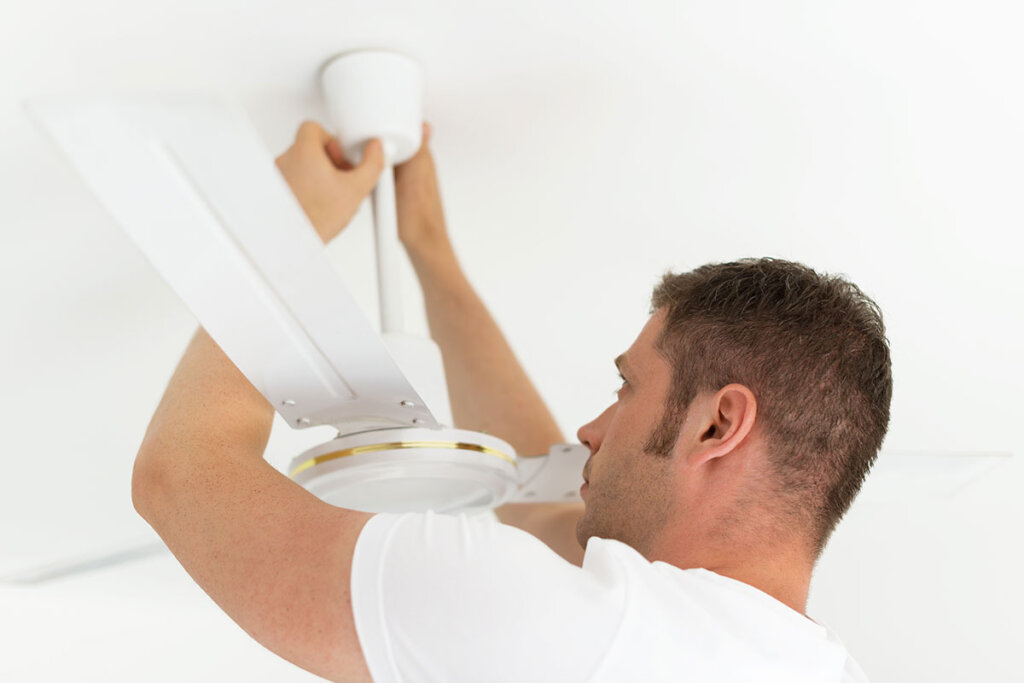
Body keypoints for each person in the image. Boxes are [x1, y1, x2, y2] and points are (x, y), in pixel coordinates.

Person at [132, 119, 891, 682]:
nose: (590, 430)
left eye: (628, 386)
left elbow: (180, 474)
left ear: (717, 423)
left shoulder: (563, 630)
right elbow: (538, 489)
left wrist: (279, 229)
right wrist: (429, 251)